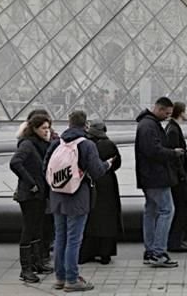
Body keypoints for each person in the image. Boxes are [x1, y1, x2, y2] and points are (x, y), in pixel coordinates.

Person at [44, 110, 112, 292]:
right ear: (86, 125)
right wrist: (108, 164)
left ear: (69, 123)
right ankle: (72, 279)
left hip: (57, 196)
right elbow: (97, 171)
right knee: (74, 240)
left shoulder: (57, 142)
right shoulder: (86, 144)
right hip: (77, 197)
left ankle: (60, 278)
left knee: (60, 238)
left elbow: (46, 168)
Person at [134, 97, 183, 268]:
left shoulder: (146, 124)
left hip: (149, 177)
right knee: (167, 210)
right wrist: (173, 153)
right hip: (156, 177)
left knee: (151, 212)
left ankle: (150, 251)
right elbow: (153, 151)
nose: (168, 117)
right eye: (167, 113)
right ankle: (158, 252)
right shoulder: (149, 126)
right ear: (159, 109)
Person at [9, 113, 52, 283]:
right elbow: (15, 162)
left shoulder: (40, 144)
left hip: (39, 193)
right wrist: (31, 182)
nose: (47, 131)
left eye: (48, 128)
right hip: (30, 194)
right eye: (43, 128)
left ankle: (37, 263)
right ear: (34, 129)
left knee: (37, 228)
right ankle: (25, 269)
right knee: (28, 229)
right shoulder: (27, 145)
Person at [79, 120, 122, 265]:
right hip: (108, 183)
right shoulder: (109, 144)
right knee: (107, 217)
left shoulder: (85, 144)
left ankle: (88, 252)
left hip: (90, 183)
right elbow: (117, 163)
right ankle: (105, 253)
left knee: (91, 218)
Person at [165, 102, 187, 253]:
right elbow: (175, 157)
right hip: (178, 178)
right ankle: (175, 242)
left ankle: (176, 240)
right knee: (180, 208)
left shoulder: (171, 127)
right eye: (185, 111)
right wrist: (182, 175)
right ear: (181, 112)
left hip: (176, 177)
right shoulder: (174, 130)